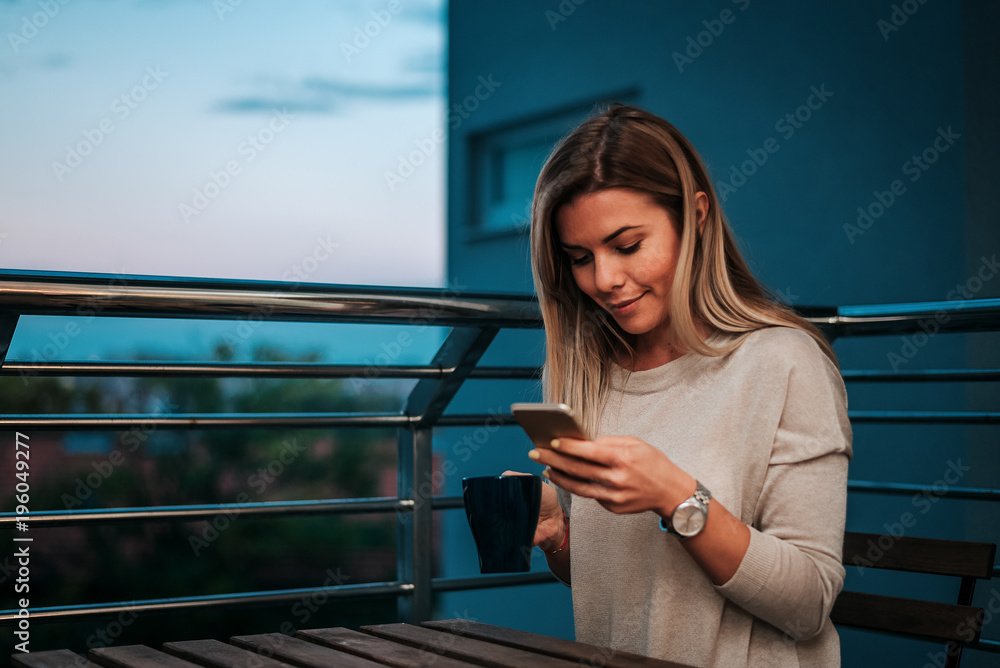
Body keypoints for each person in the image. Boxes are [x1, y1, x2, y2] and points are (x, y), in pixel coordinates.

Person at [505, 104, 853, 667]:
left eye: (627, 245)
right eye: (579, 258)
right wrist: (561, 536)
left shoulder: (784, 362)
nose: (604, 280)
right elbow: (622, 594)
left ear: (696, 217)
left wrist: (676, 496)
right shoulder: (584, 374)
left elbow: (808, 604)